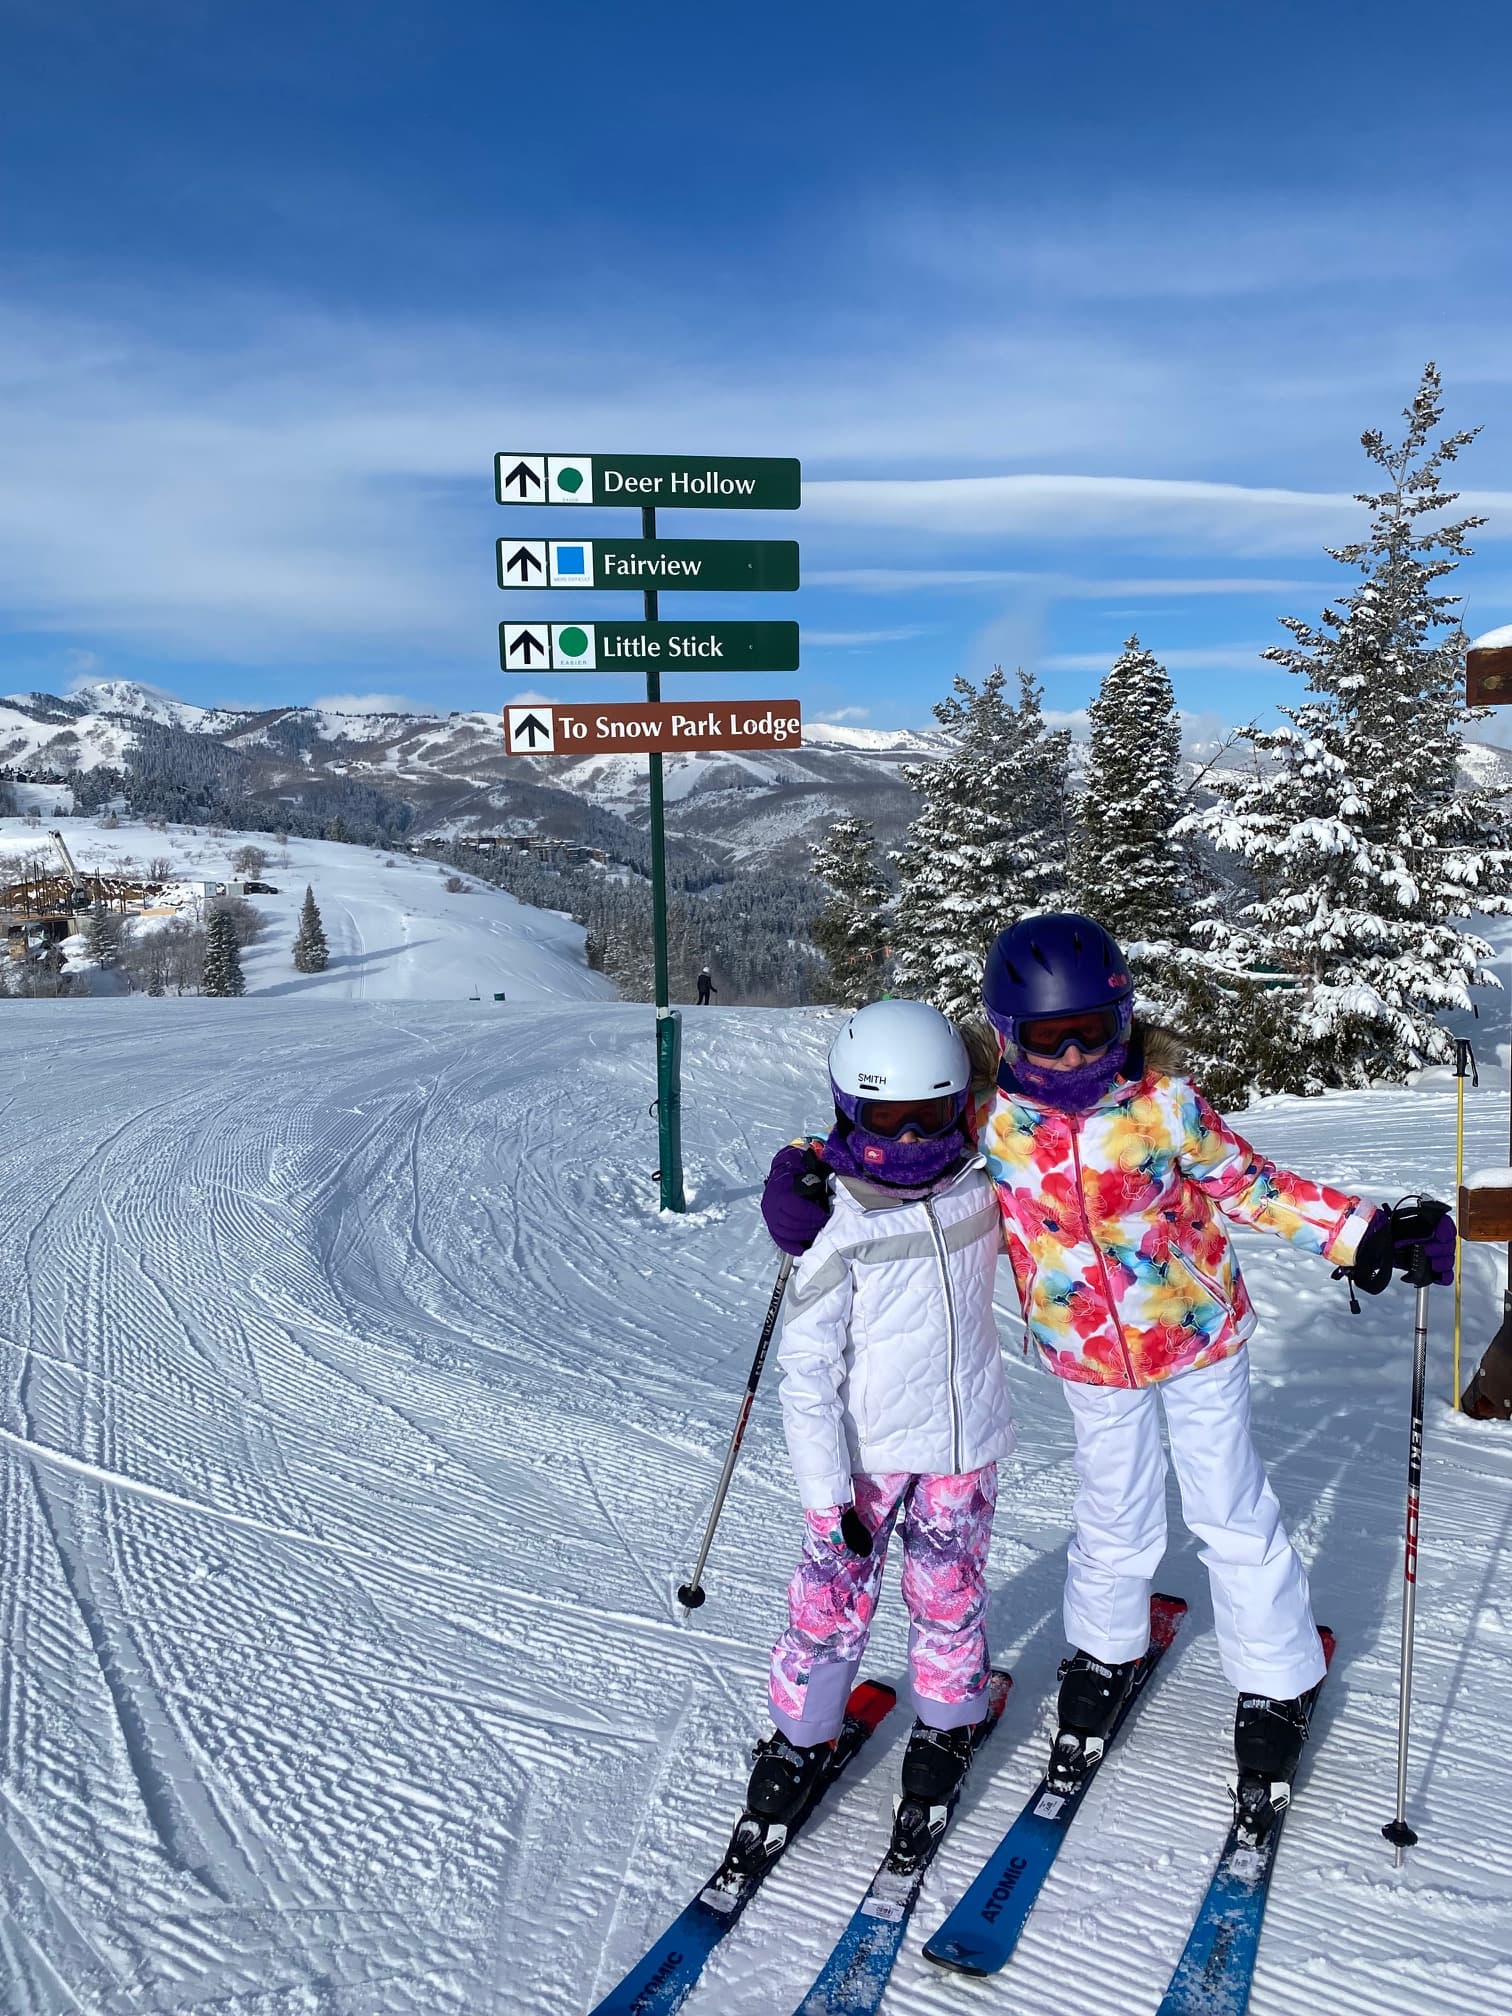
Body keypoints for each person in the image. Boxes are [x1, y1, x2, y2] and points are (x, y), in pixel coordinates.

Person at [764, 913, 1454, 1837]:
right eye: (1051, 1036)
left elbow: (1250, 1183)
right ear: (1006, 1033)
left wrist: (1364, 1229)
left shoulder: (1163, 1104)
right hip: (1088, 1351)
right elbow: (887, 1129)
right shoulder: (987, 1115)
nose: (1078, 1050)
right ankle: (1105, 1650)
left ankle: (1278, 1678)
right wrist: (802, 1172)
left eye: (1098, 1026)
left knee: (1225, 1504)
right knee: (1114, 1504)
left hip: (1198, 1333)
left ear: (1126, 1015)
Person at [746, 998, 1015, 1831]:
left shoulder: (983, 1183)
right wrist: (827, 1500)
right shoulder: (839, 1225)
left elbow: (1048, 1124)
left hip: (962, 1448)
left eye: (928, 1116)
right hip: (863, 1461)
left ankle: (943, 1732)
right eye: (886, 1119)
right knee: (831, 1599)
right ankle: (799, 1739)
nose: (907, 1141)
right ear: (849, 1110)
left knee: (949, 1591)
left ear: (960, 1105)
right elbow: (804, 1374)